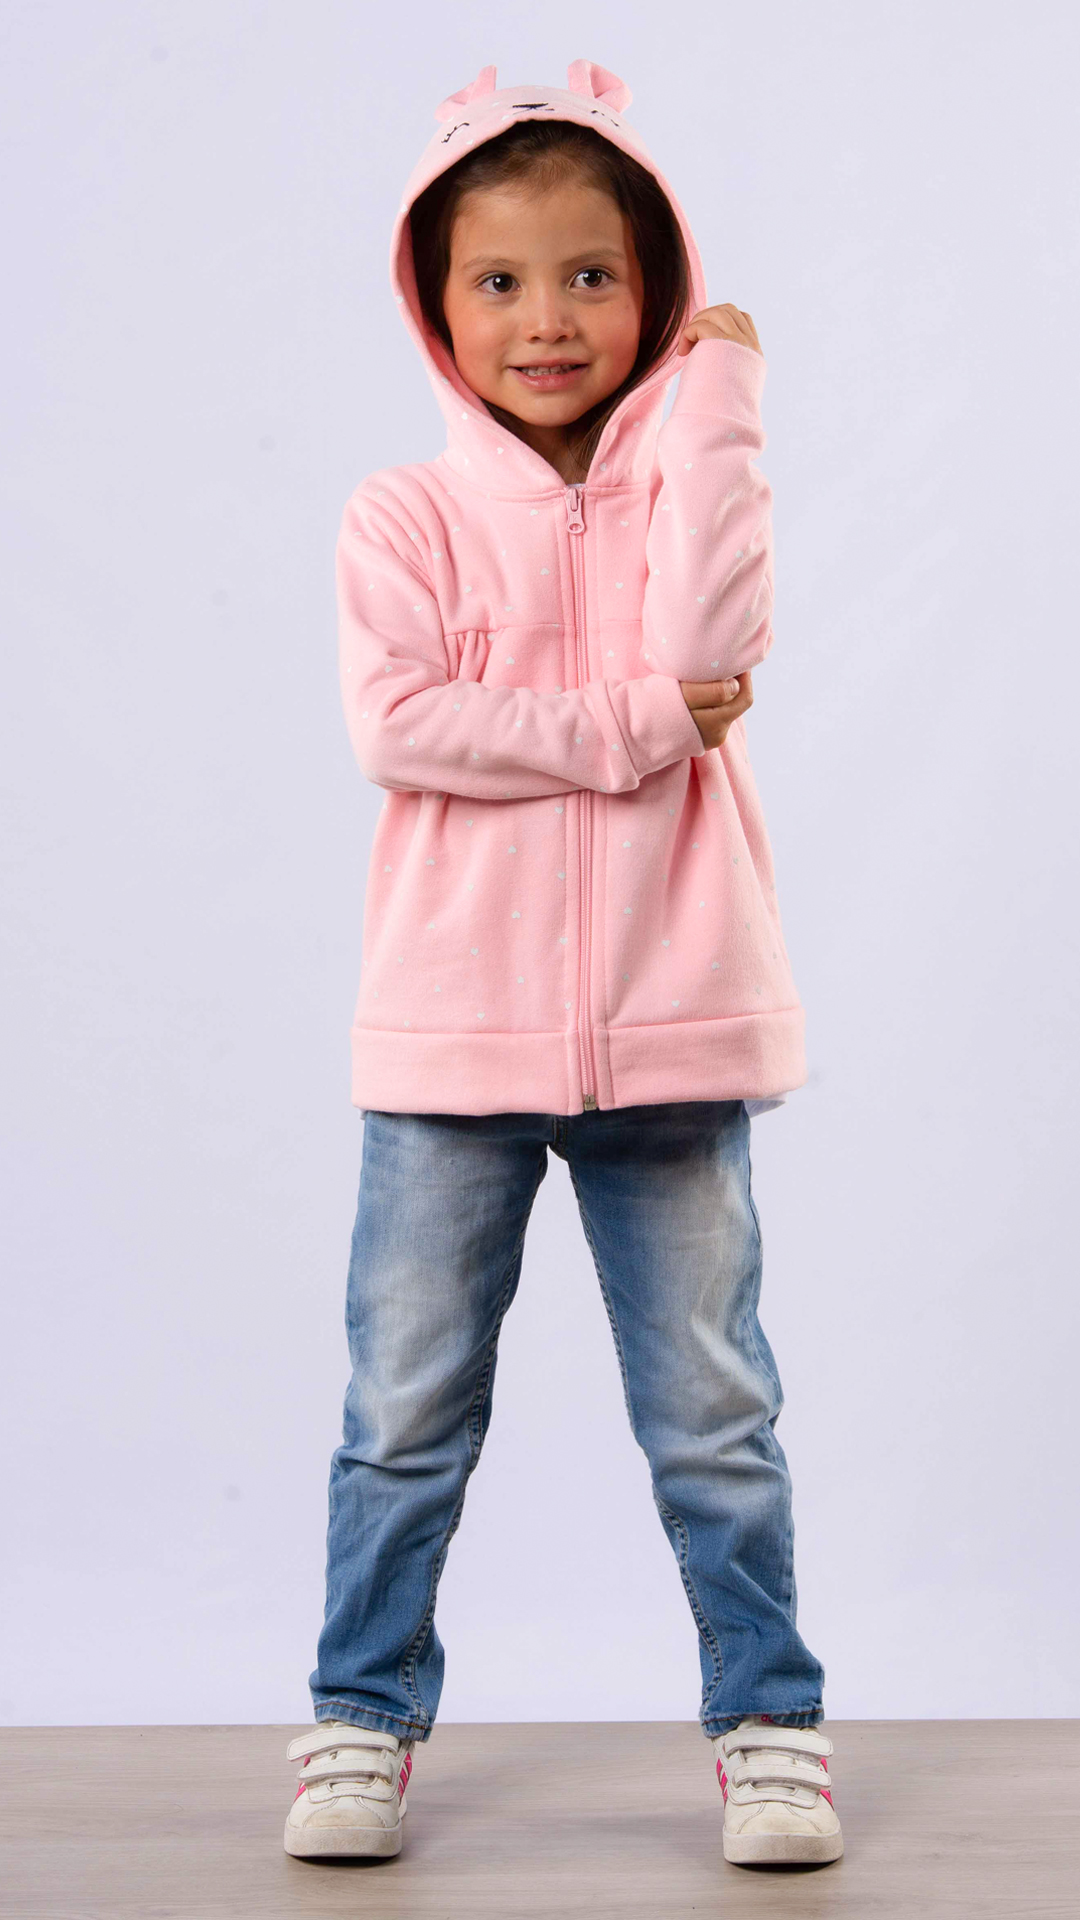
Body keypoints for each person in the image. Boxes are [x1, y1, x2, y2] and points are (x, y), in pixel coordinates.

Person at [283, 60, 842, 1871]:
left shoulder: (687, 480)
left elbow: (715, 642)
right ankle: (360, 1721)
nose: (548, 318)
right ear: (436, 306)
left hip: (673, 1029)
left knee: (717, 1414)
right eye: (501, 281)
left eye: (593, 276)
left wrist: (723, 400)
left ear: (656, 290)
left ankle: (770, 1728)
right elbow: (403, 725)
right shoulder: (404, 517)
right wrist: (630, 724)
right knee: (402, 1416)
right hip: (450, 1044)